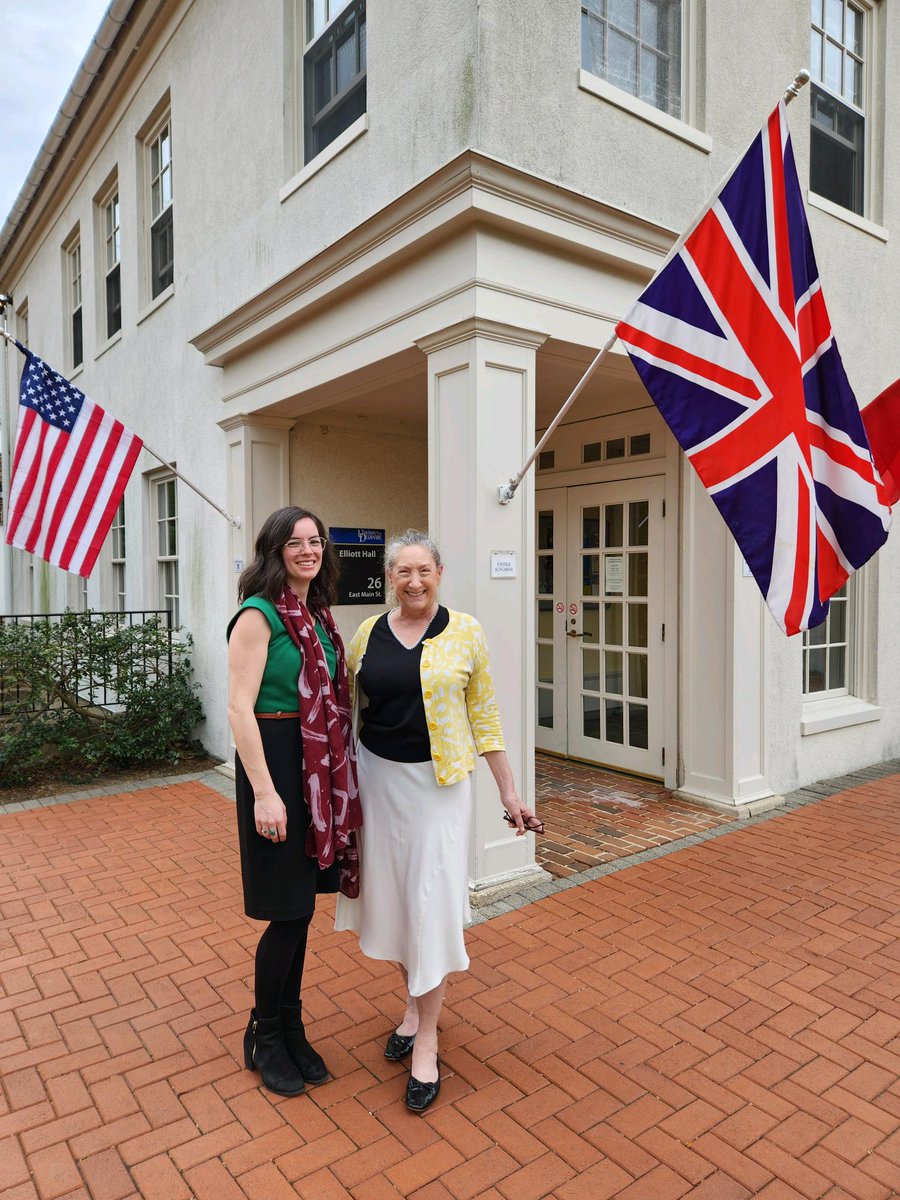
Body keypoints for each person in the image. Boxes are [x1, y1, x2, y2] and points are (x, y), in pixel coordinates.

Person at [335, 530, 541, 1113]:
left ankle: (426, 1037)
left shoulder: (466, 632)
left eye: (423, 570)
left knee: (428, 905)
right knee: (395, 903)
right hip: (378, 783)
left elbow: (487, 717)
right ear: (390, 576)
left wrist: (510, 793)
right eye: (402, 571)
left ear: (440, 571)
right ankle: (412, 1002)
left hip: (438, 788)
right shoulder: (367, 634)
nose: (414, 581)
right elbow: (341, 709)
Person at [227, 505, 361, 1097]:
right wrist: (264, 792)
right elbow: (238, 707)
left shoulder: (319, 616)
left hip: (314, 771)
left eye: (316, 541)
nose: (308, 550)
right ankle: (265, 1032)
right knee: (287, 911)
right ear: (275, 551)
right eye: (295, 542)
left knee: (304, 905)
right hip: (277, 764)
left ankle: (292, 1024)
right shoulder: (257, 616)